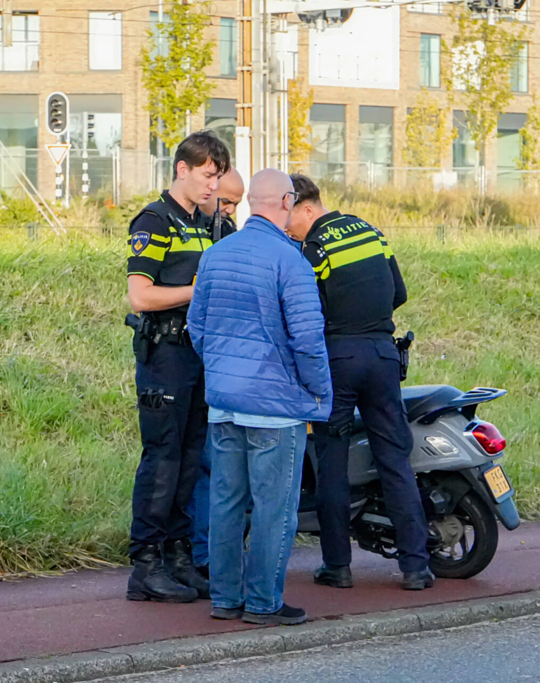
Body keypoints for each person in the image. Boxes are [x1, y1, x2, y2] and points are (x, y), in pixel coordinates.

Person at [187, 169, 332, 626]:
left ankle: (225, 599)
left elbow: (198, 327)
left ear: (251, 201)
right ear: (287, 201)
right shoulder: (291, 261)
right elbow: (308, 339)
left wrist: (221, 369)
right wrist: (318, 392)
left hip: (224, 402)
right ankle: (264, 602)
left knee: (227, 503)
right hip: (275, 406)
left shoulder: (217, 255)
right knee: (274, 509)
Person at [286, 173, 435, 592]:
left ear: (307, 207)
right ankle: (416, 567)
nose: (287, 228)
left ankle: (338, 567)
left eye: (289, 217)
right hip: (384, 355)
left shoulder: (314, 247)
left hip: (339, 359)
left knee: (330, 463)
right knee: (396, 461)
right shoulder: (372, 232)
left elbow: (308, 308)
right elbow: (398, 292)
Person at [125, 130, 231, 603]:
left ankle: (179, 558)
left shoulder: (204, 223)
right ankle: (145, 567)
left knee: (190, 460)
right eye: (209, 176)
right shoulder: (157, 219)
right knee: (163, 460)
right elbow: (141, 296)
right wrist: (198, 292)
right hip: (165, 355)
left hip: (198, 354)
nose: (214, 187)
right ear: (182, 170)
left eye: (219, 178)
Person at [187, 168, 246, 577]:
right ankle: (205, 556)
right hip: (200, 364)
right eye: (225, 201)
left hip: (220, 366)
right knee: (207, 464)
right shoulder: (193, 232)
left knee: (217, 465)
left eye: (236, 205)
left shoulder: (222, 232)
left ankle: (210, 553)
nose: (230, 211)